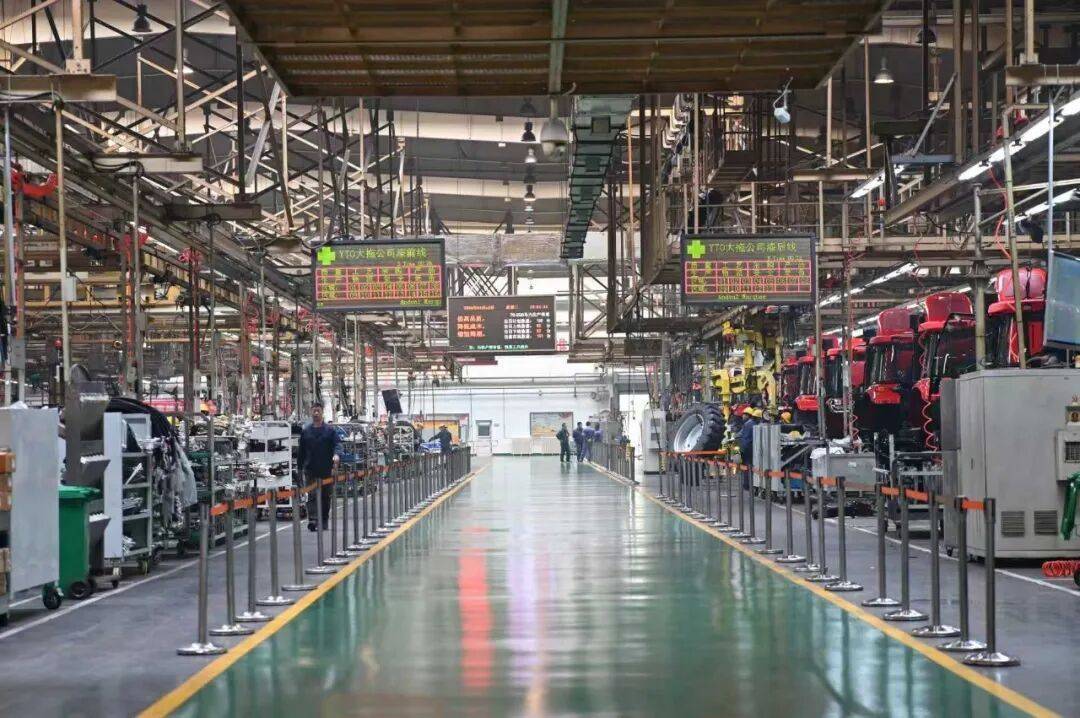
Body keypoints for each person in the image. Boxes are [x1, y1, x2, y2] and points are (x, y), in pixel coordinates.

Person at [297, 402, 341, 531]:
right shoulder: (306, 431)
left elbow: (338, 444)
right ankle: (313, 519)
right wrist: (299, 468)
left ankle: (324, 519)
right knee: (311, 495)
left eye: (318, 411)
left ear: (322, 413)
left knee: (325, 496)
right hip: (310, 469)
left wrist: (337, 455)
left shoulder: (330, 431)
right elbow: (301, 452)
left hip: (326, 469)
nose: (316, 413)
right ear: (311, 412)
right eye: (314, 411)